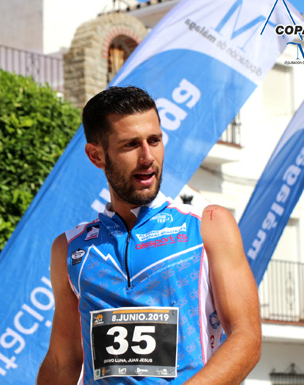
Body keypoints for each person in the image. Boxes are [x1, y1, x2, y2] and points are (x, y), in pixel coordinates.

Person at [37, 86, 260, 384]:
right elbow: (61, 361)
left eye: (154, 140)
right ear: (96, 155)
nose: (147, 157)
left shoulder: (208, 225)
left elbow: (246, 339)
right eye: (130, 145)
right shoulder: (70, 248)